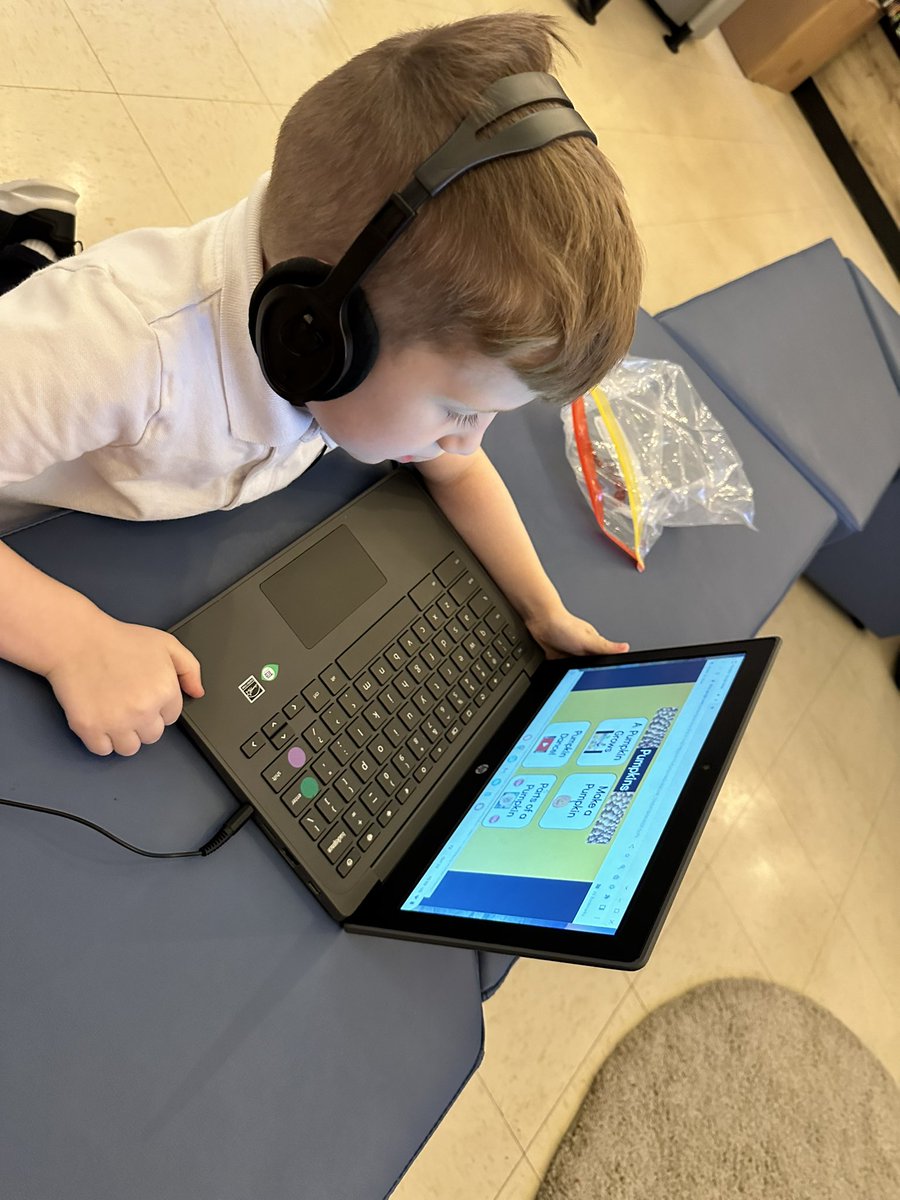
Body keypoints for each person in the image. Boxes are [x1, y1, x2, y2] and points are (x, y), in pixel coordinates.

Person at [0, 12, 643, 759]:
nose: (468, 440)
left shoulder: (339, 348)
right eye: (461, 410)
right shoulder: (119, 346)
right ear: (319, 338)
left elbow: (458, 469)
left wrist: (542, 611)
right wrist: (72, 641)